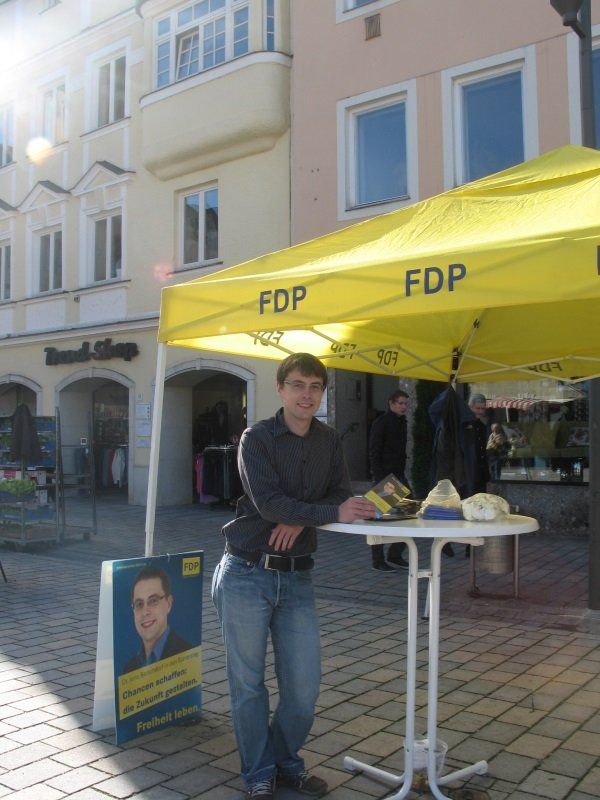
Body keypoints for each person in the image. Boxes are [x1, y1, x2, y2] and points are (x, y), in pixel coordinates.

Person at [211, 353, 376, 800]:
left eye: (315, 386)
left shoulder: (329, 440)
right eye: (298, 385)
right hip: (246, 572)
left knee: (303, 687)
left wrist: (300, 520)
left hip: (297, 576)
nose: (307, 394)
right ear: (280, 388)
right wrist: (316, 512)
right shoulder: (256, 438)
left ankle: (284, 761)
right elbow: (268, 503)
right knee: (248, 685)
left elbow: (340, 494)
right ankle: (259, 772)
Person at [368, 389, 412, 572]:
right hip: (386, 477)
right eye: (400, 403)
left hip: (398, 476)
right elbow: (374, 451)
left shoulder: (401, 422)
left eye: (405, 403)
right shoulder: (382, 423)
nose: (404, 407)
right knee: (378, 519)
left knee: (410, 513)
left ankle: (394, 554)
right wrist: (380, 479)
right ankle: (378, 560)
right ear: (391, 403)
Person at [123, 566, 192, 674]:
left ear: (169, 603)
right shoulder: (130, 668)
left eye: (153, 601)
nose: (145, 612)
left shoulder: (188, 656)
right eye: (139, 604)